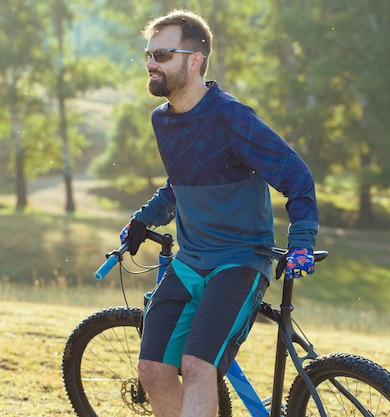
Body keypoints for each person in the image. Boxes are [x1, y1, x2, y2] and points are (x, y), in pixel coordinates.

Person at [119, 9, 319, 417]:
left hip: (240, 259)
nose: (150, 64)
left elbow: (297, 178)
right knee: (152, 369)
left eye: (162, 55)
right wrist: (144, 218)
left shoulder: (231, 117)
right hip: (191, 260)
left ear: (194, 61)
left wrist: (301, 243)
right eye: (148, 54)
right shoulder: (162, 121)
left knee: (197, 366)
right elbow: (182, 183)